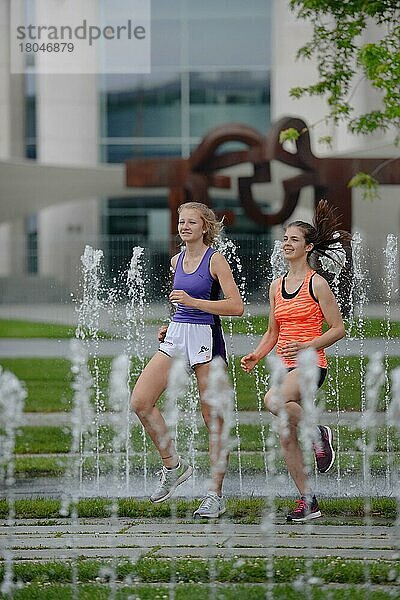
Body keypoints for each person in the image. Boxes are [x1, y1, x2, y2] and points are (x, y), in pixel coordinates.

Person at [131, 201, 244, 518]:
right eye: (181, 222)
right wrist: (170, 323)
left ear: (205, 227)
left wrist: (194, 302)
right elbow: (179, 303)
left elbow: (236, 307)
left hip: (206, 338)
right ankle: (174, 466)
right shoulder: (176, 260)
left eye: (191, 222)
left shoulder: (215, 260)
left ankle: (215, 495)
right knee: (140, 401)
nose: (184, 227)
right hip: (178, 335)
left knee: (214, 420)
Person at [241, 200, 351, 523]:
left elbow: (339, 329)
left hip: (311, 363)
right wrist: (258, 353)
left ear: (308, 247)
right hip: (285, 365)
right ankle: (308, 502)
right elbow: (272, 331)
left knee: (273, 400)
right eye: (284, 239)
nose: (286, 244)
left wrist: (306, 345)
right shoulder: (277, 286)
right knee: (286, 433)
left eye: (293, 240)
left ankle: (319, 433)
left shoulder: (316, 283)